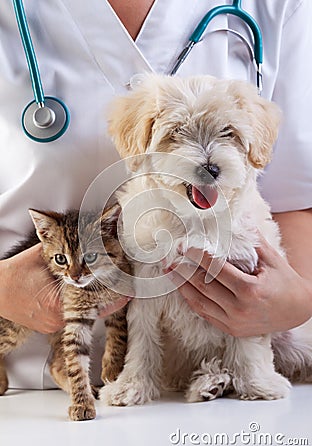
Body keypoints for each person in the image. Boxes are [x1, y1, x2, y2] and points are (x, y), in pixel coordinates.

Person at [0, 0, 311, 389]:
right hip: (28, 390)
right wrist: (3, 289)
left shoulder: (279, 6)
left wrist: (299, 299)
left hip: (235, 382)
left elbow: (295, 197)